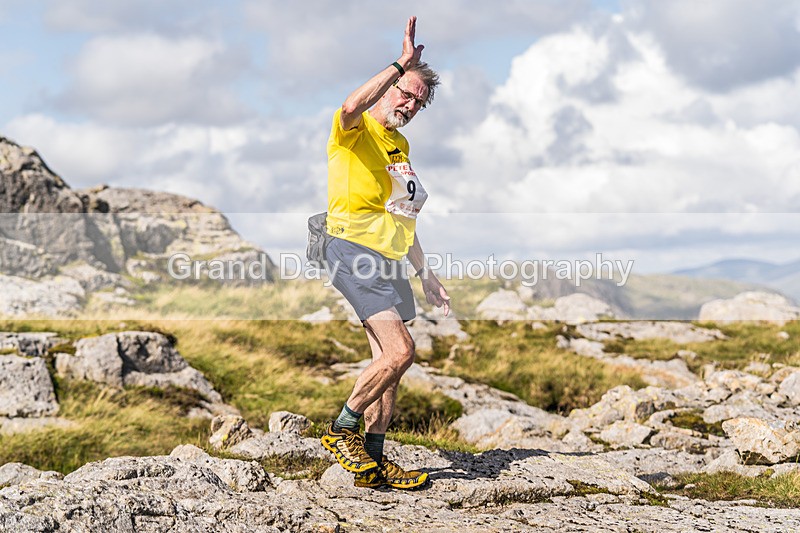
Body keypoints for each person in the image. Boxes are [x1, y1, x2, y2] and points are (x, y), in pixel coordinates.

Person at [320, 16, 450, 490]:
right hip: (352, 249)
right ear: (388, 87)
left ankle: (371, 463)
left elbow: (403, 212)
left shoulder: (401, 143)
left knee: (388, 366)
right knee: (402, 351)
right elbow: (350, 103)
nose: (410, 104)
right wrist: (401, 64)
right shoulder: (352, 130)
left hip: (390, 256)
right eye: (405, 93)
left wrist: (425, 273)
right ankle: (341, 429)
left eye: (419, 101)